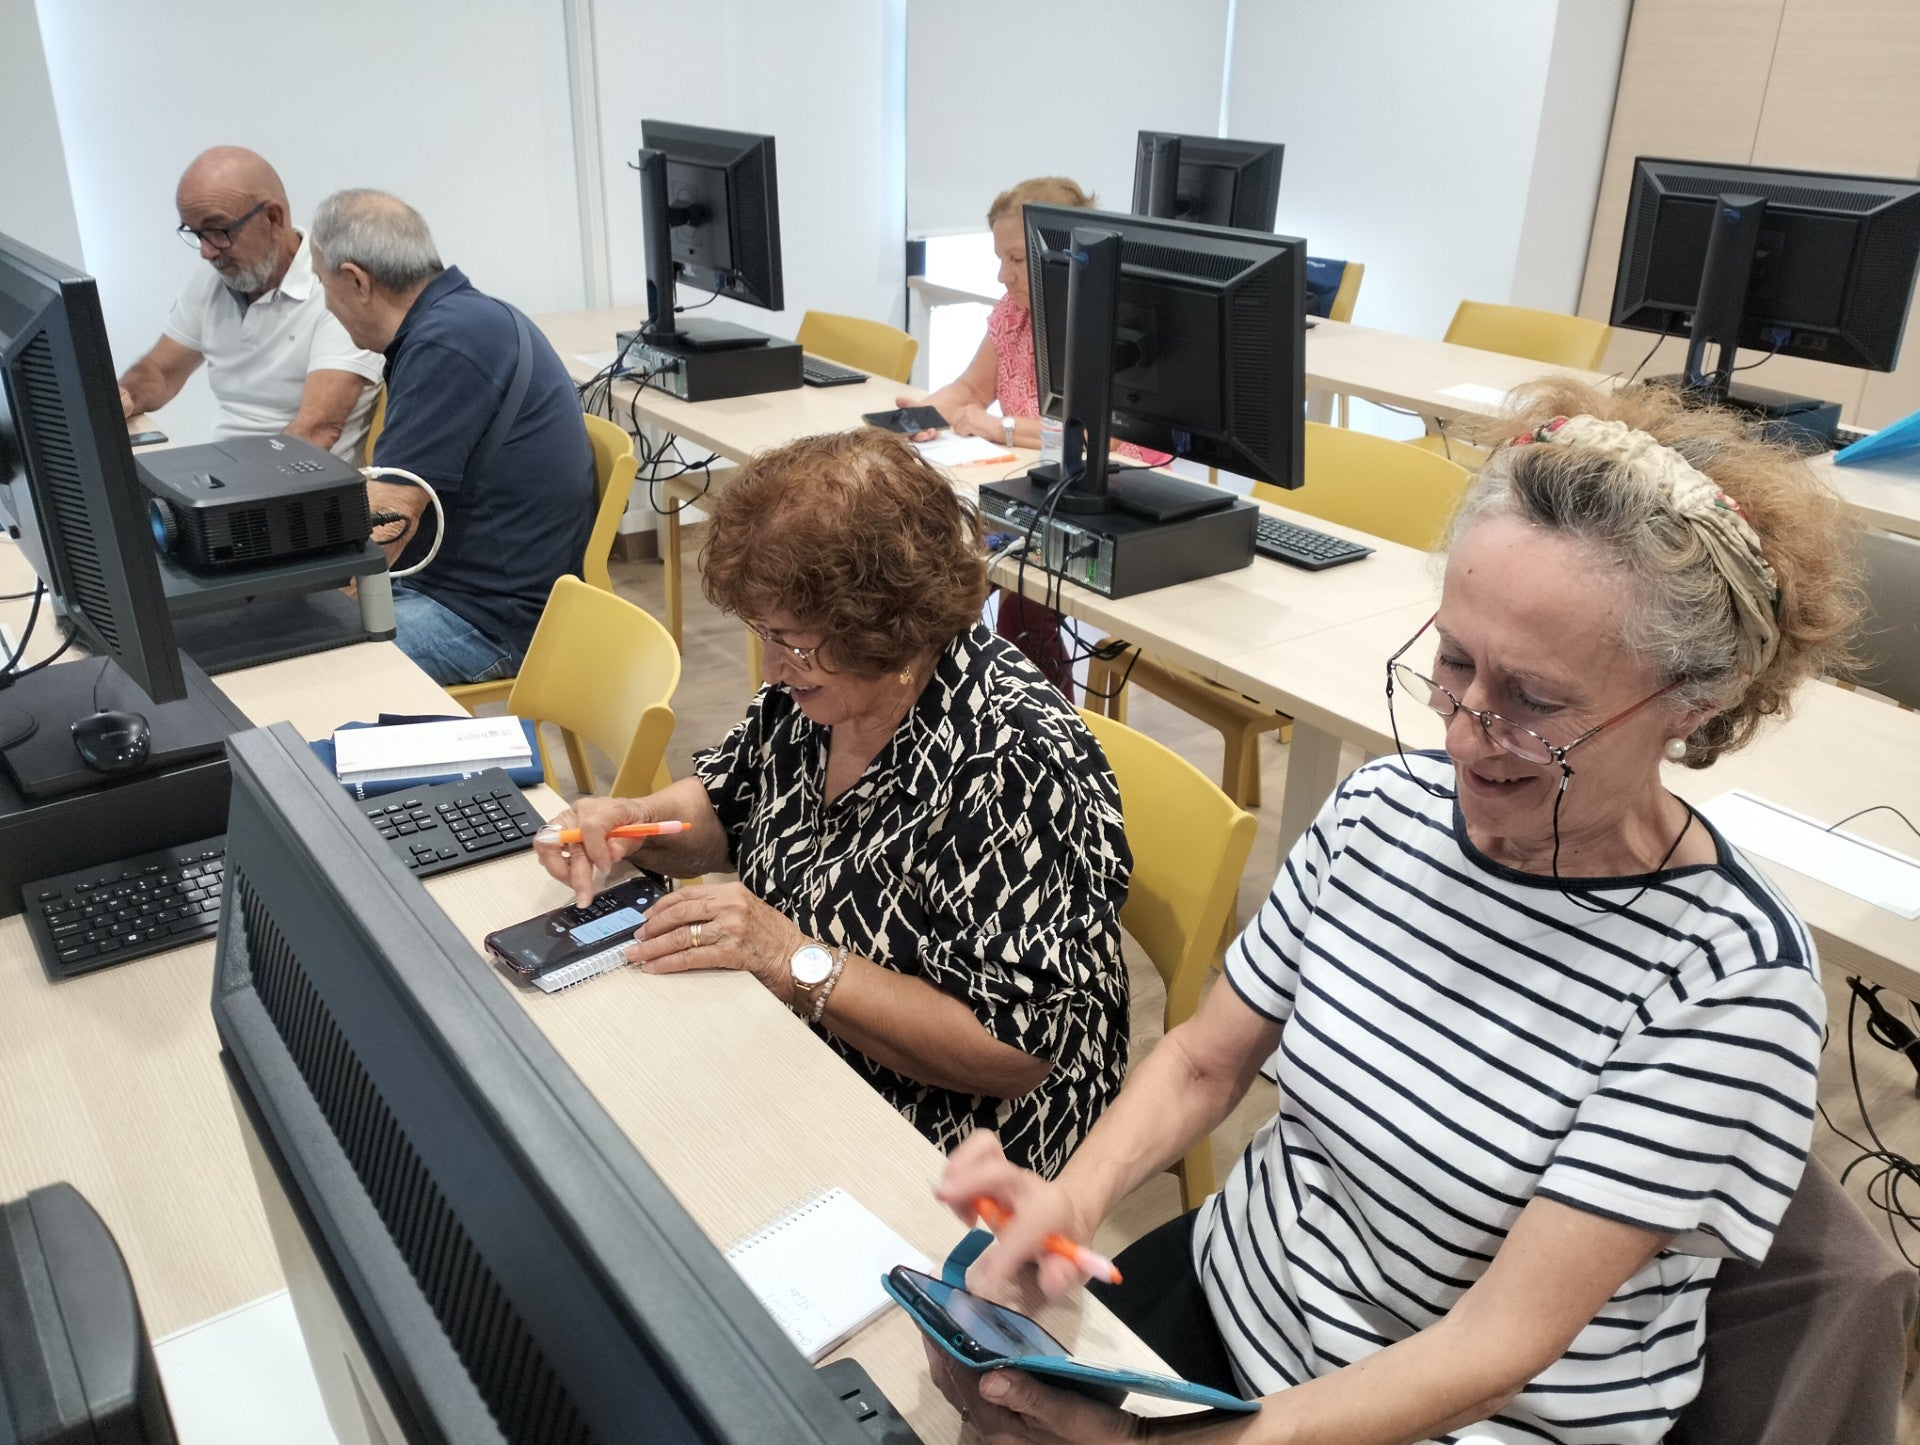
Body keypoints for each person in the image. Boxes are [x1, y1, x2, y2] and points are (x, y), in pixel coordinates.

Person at [923, 379, 1908, 1444]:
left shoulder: (1729, 980)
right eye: (1452, 662)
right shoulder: (1384, 808)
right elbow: (1205, 1061)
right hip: (1246, 1306)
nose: (1469, 731)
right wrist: (1073, 1196)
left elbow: (1492, 1350)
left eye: (1534, 701)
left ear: (1693, 700)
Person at [533, 428, 1132, 1178]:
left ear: (888, 624)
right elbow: (730, 800)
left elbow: (1009, 1048)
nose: (771, 664)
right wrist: (635, 823)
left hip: (957, 1138)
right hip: (798, 1043)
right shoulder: (818, 690)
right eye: (763, 632)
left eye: (793, 641)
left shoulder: (1013, 761)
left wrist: (793, 960)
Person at [309, 189, 595, 686]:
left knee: (301, 668)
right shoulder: (464, 318)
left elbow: (388, 520)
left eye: (321, 283)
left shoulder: (446, 345)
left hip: (492, 621)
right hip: (469, 591)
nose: (324, 301)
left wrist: (307, 599)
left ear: (355, 280)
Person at [905, 178, 1168, 701]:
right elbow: (971, 388)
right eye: (1000, 260)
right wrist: (928, 412)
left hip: (1113, 488)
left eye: (1016, 260)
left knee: (1023, 603)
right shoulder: (1014, 312)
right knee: (929, 570)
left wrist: (1001, 428)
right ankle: (955, 713)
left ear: (1064, 254)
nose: (1003, 277)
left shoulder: (1117, 323)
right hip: (1032, 480)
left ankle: (1042, 740)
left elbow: (1106, 439)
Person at [116, 147, 383, 461]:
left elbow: (317, 431)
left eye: (218, 231)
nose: (206, 252)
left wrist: (233, 493)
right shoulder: (214, 279)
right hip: (232, 474)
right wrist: (124, 399)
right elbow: (160, 372)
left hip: (303, 486)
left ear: (273, 218)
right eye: (195, 233)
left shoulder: (334, 290)